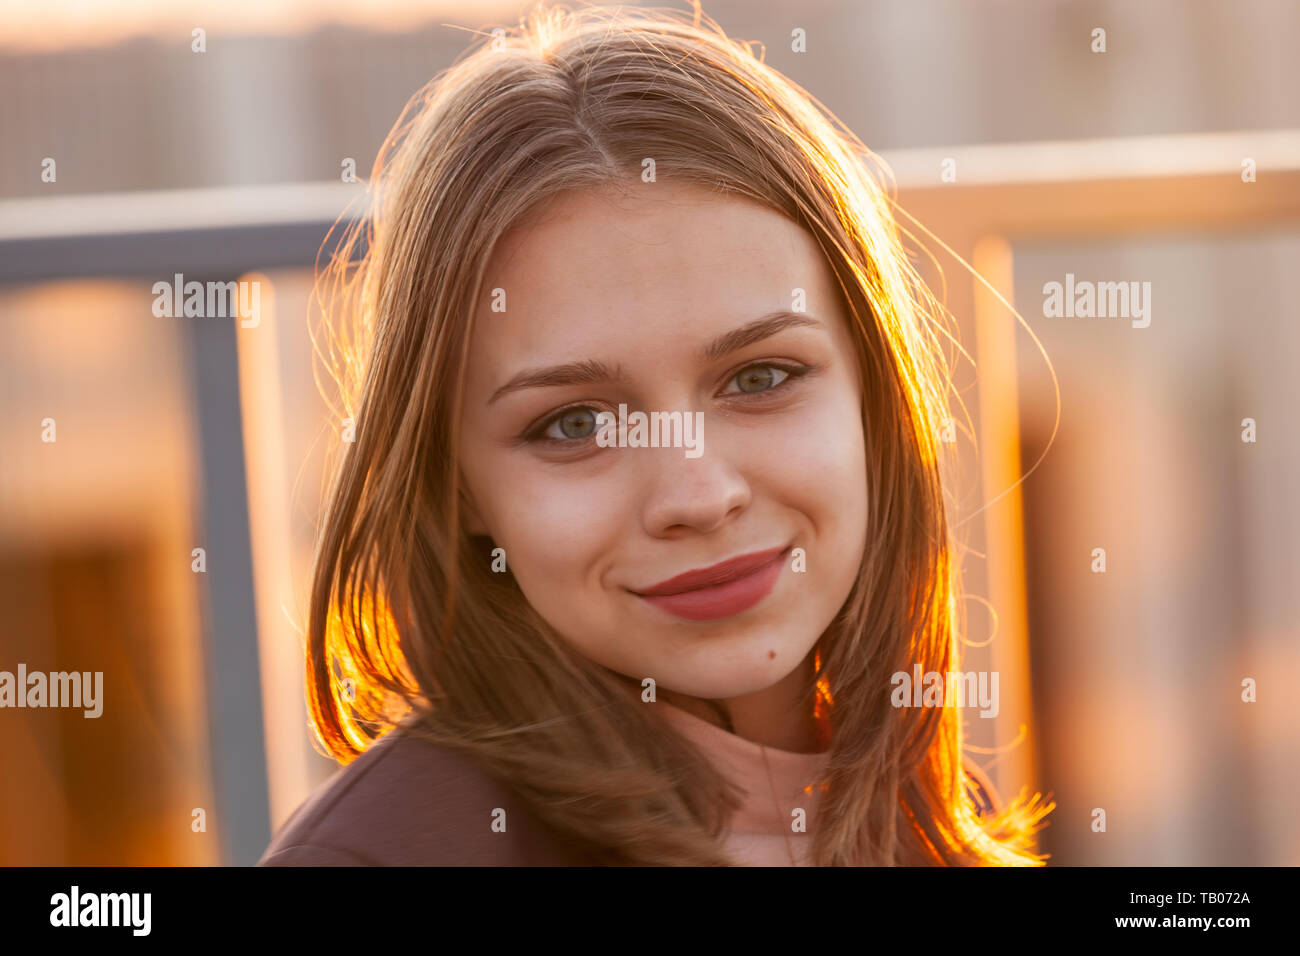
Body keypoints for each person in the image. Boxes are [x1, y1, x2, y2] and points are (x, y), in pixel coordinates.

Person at [260, 2, 1053, 867]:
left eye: (760, 378)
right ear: (457, 490)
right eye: (573, 425)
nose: (700, 496)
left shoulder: (909, 803)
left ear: (873, 394)